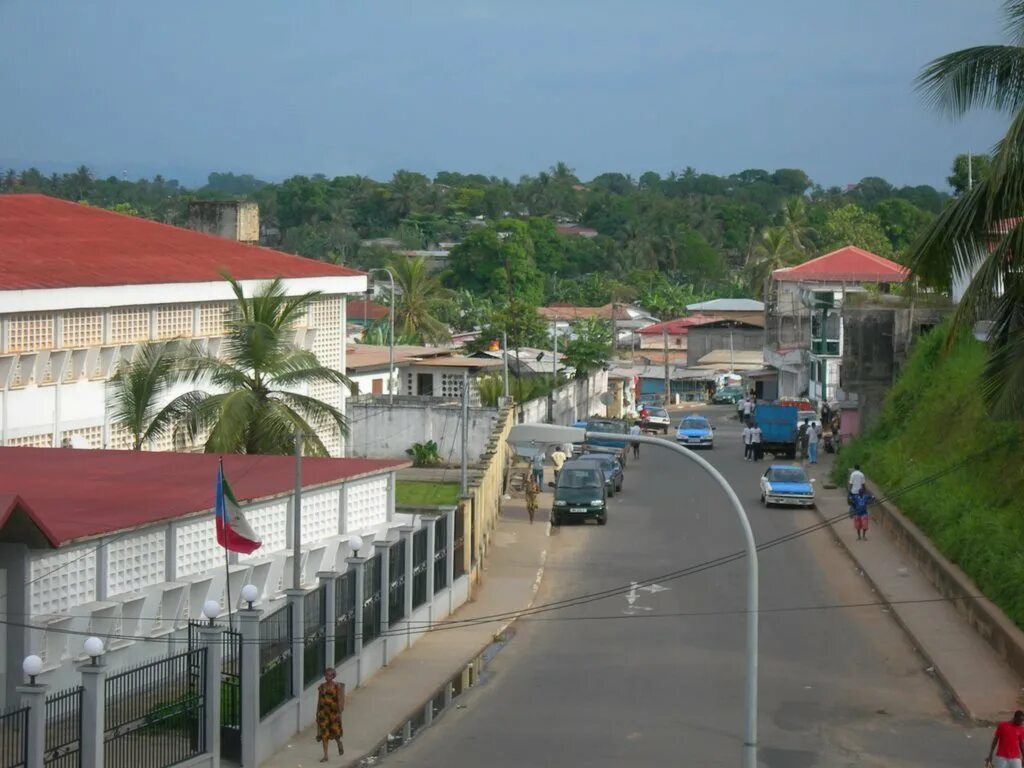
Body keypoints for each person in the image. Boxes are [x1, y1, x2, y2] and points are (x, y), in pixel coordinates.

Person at [316, 667, 345, 761]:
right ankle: (325, 756)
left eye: (329, 675)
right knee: (324, 734)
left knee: (335, 732)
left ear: (333, 676)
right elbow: (319, 701)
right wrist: (317, 714)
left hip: (333, 713)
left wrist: (339, 714)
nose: (327, 676)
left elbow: (339, 700)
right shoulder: (322, 687)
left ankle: (339, 742)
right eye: (326, 674)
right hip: (324, 713)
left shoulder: (337, 686)